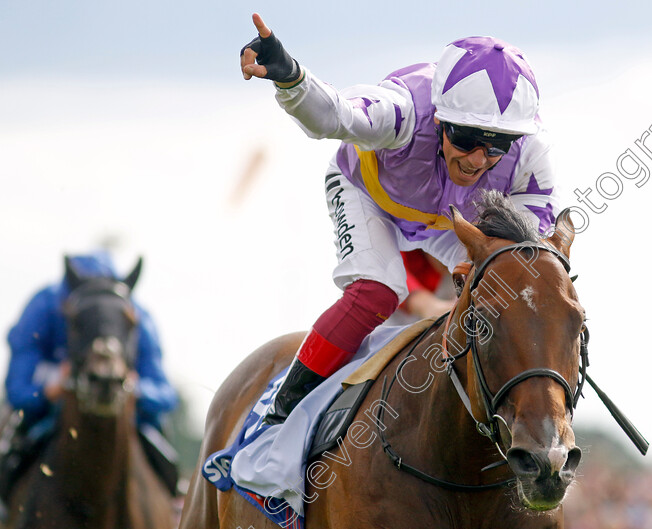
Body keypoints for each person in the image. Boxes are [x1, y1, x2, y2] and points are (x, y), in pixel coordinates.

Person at [239, 13, 562, 425]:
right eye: (464, 138)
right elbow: (334, 116)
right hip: (368, 194)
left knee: (509, 288)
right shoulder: (405, 110)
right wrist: (290, 76)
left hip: (444, 220)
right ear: (440, 118)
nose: (478, 159)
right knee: (377, 292)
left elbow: (531, 259)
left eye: (497, 143)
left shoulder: (533, 155)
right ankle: (278, 415)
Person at [0, 251, 179, 515]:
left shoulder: (138, 316)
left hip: (127, 417)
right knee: (13, 441)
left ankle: (174, 502)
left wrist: (138, 390)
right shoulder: (43, 306)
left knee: (163, 448)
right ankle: (1, 506)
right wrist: (49, 391)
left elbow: (165, 395)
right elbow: (17, 390)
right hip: (50, 412)